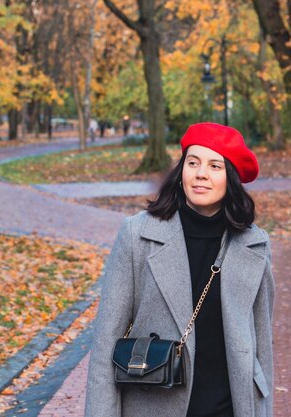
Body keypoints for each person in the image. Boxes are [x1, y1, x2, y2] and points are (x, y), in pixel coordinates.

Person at [85, 122, 275, 417]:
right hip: (152, 405)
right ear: (181, 170)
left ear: (231, 178)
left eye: (215, 166)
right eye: (193, 162)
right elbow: (105, 341)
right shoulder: (138, 235)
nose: (201, 173)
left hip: (230, 407)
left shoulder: (254, 245)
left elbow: (262, 348)